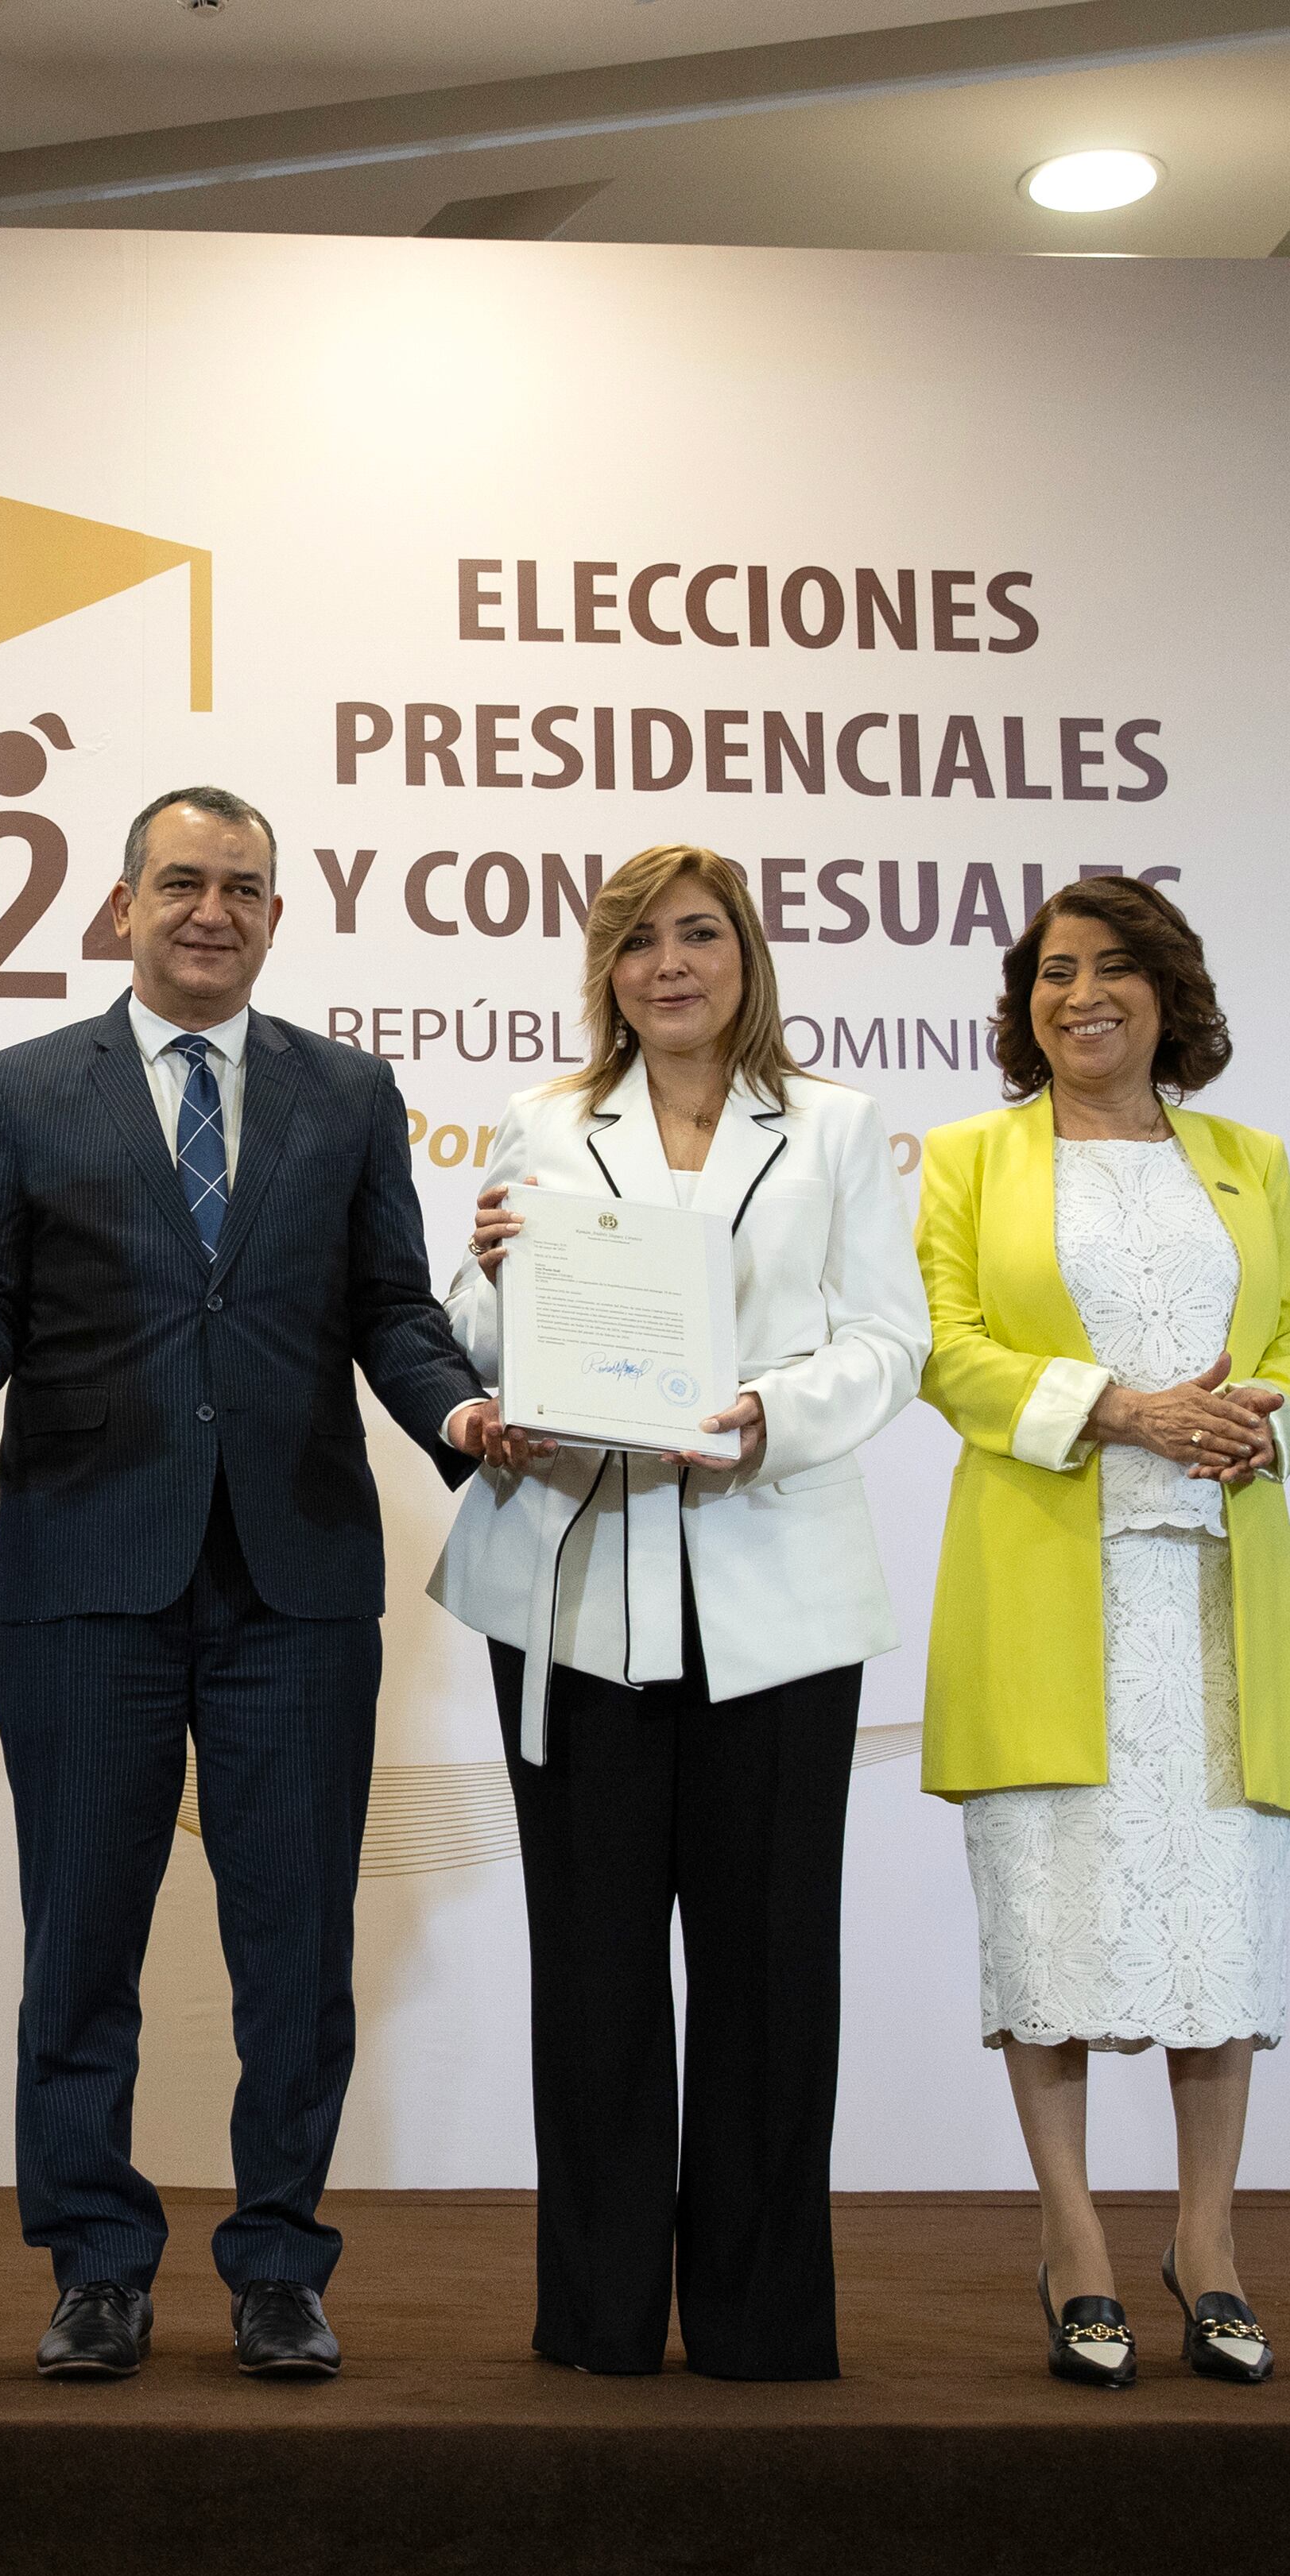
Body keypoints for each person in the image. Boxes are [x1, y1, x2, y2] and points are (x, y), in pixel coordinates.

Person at [0, 783, 485, 2383]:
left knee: (295, 1949)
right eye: (180, 882)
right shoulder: (21, 1087)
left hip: (298, 1582)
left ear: (273, 916)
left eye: (243, 888)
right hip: (84, 1577)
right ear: (119, 906)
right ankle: (95, 2265)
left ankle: (277, 2263)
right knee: (79, 1940)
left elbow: (390, 1304)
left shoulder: (349, 1093)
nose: (211, 911)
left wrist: (457, 1410)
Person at [427, 843, 926, 2380]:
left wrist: (769, 1412)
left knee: (772, 1967)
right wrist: (492, 1285)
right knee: (592, 1970)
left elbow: (889, 1342)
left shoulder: (837, 1130)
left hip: (771, 1588)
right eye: (637, 942)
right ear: (606, 972)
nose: (669, 966)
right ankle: (595, 2318)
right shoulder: (542, 1124)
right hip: (578, 1591)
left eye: (698, 936)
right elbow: (481, 1335)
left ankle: (764, 2321)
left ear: (747, 956)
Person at [914, 875, 1290, 2392]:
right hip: (1048, 1589)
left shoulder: (1250, 1159)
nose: (1077, 995)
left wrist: (1258, 1419)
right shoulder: (969, 1159)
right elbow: (949, 1350)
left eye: (1109, 970)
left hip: (1216, 1592)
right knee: (1054, 1931)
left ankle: (1208, 2243)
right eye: (1049, 973)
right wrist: (1118, 1407)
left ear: (1169, 994)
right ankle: (1076, 2235)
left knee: (1216, 1935)